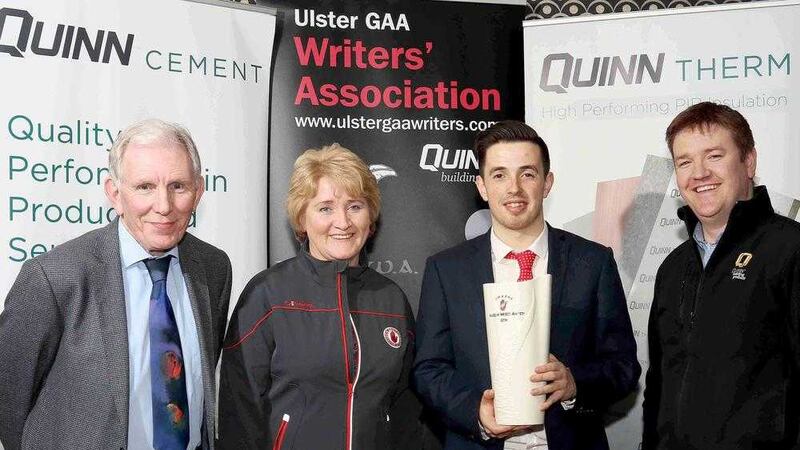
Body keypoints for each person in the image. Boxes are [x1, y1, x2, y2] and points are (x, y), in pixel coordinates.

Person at [0, 119, 232, 450]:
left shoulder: (213, 268)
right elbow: (9, 398)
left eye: (178, 186)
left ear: (198, 192)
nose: (163, 206)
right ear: (115, 193)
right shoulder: (54, 277)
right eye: (145, 187)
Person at [413, 120, 640, 450]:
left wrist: (575, 383)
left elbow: (622, 366)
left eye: (527, 174)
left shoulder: (592, 262)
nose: (514, 188)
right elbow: (428, 369)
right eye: (499, 174)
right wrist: (474, 410)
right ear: (482, 186)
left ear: (547, 183)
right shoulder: (446, 270)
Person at [217, 144, 418, 450]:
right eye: (325, 208)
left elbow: (406, 410)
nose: (343, 222)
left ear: (371, 217)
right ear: (302, 219)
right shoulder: (267, 295)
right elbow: (239, 413)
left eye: (355, 206)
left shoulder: (391, 300)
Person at [642, 102, 800, 449]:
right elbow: (658, 387)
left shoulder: (790, 248)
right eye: (684, 162)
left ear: (749, 161)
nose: (698, 173)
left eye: (714, 155)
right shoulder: (672, 268)